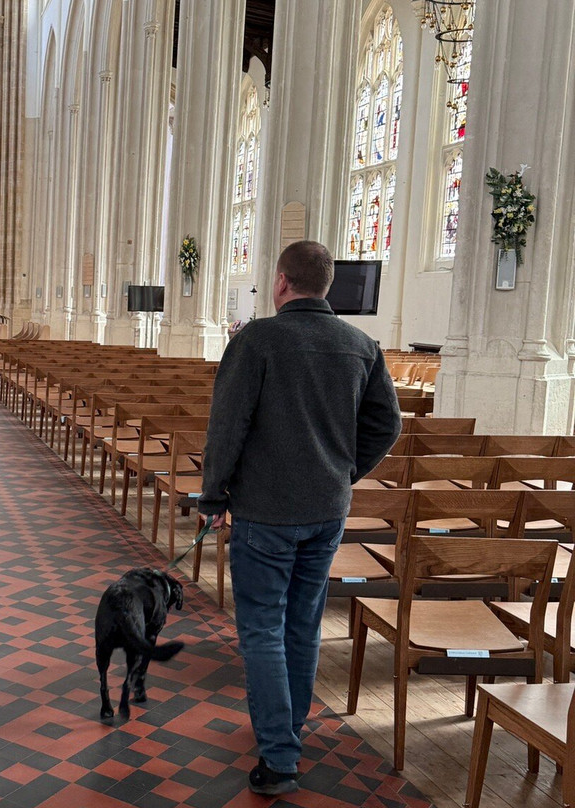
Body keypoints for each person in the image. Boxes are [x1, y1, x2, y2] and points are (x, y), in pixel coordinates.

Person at [198, 240, 401, 796]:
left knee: (263, 628)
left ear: (283, 282)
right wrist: (344, 471)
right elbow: (388, 425)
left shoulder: (257, 339)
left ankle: (280, 755)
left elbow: (227, 426)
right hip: (326, 510)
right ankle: (287, 730)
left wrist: (213, 497)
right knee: (302, 624)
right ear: (327, 285)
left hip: (265, 512)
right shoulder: (362, 345)